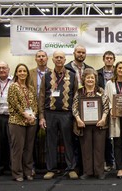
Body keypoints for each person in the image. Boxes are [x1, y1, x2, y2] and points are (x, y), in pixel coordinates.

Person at [39, 50, 78, 180]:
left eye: (61, 57)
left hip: (66, 113)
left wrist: (75, 115)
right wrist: (41, 116)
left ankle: (71, 168)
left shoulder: (72, 76)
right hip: (50, 113)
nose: (59, 59)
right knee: (51, 142)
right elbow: (42, 96)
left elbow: (76, 96)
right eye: (57, 57)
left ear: (65, 60)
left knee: (68, 141)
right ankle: (51, 169)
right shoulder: (47, 76)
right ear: (53, 60)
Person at [73, 68, 109, 180]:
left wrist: (103, 118)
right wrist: (78, 119)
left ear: (95, 79)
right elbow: (74, 107)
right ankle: (87, 171)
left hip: (100, 124)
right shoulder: (79, 92)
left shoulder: (101, 91)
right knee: (86, 148)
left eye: (92, 78)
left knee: (99, 148)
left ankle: (99, 172)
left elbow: (106, 106)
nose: (90, 80)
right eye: (88, 77)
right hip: (84, 125)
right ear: (84, 79)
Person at [7, 63, 38, 182]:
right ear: (16, 73)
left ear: (27, 73)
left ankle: (28, 172)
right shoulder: (13, 87)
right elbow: (14, 103)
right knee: (18, 149)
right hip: (17, 122)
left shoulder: (30, 87)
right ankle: (17, 173)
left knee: (29, 149)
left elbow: (35, 103)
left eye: (24, 71)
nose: (22, 73)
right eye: (20, 71)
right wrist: (24, 114)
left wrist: (33, 115)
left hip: (30, 122)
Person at [29, 50, 51, 173]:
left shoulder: (53, 73)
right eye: (39, 56)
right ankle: (31, 166)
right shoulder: (29, 73)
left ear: (47, 58)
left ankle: (49, 166)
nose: (41, 58)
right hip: (32, 110)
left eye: (43, 56)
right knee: (31, 139)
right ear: (35, 59)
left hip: (48, 110)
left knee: (50, 139)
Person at [96, 51, 116, 172]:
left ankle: (113, 162)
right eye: (107, 58)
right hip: (101, 108)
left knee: (115, 136)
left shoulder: (119, 72)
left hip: (116, 107)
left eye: (111, 58)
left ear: (114, 60)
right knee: (103, 137)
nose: (109, 60)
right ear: (103, 59)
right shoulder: (97, 73)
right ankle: (105, 162)